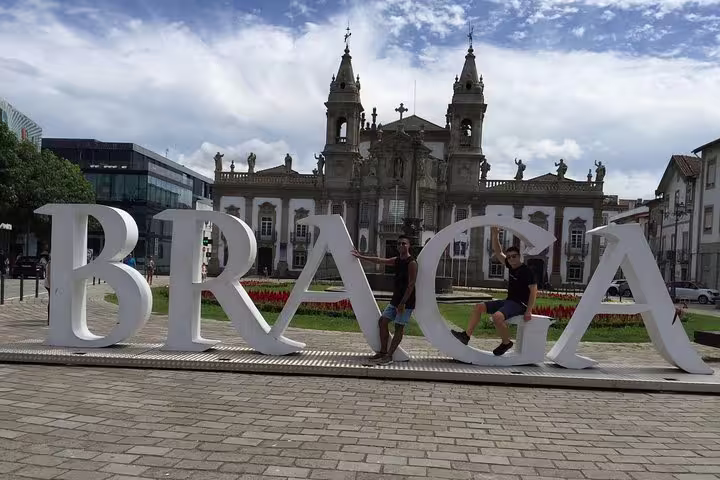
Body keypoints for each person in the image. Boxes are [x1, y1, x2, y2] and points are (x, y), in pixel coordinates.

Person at [452, 227, 538, 356]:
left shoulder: (527, 271)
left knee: (497, 317)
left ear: (519, 256)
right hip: (509, 301)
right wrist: (495, 234)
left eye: (514, 256)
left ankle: (506, 342)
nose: (511, 259)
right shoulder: (511, 266)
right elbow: (498, 252)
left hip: (520, 304)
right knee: (478, 307)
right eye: (509, 257)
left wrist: (529, 310)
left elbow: (533, 291)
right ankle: (466, 336)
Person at [352, 235, 417, 365]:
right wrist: (360, 256)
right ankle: (382, 352)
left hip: (406, 302)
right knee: (382, 321)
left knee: (399, 327)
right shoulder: (397, 260)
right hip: (395, 300)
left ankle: (389, 356)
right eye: (399, 244)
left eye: (404, 243)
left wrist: (403, 303)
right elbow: (379, 260)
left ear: (409, 245)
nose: (401, 246)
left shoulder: (412, 263)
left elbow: (411, 284)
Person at [44, 255, 51, 325]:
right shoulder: (50, 263)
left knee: (52, 301)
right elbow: (49, 275)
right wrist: (51, 285)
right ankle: (49, 319)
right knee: (51, 301)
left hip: (50, 284)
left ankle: (50, 319)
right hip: (49, 284)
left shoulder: (50, 263)